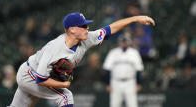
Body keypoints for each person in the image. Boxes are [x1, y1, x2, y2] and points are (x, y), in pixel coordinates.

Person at [9, 12, 155, 107]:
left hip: (34, 75)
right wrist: (64, 83)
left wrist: (135, 18)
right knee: (66, 97)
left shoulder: (86, 39)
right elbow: (40, 79)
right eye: (83, 25)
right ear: (72, 29)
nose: (87, 28)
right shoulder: (55, 48)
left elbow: (109, 29)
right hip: (30, 75)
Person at [103, 34, 144, 107]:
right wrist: (108, 84)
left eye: (126, 41)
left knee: (132, 105)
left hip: (130, 82)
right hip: (115, 82)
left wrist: (138, 83)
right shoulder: (113, 52)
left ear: (129, 42)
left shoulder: (134, 53)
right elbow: (107, 69)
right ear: (119, 42)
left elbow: (139, 69)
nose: (124, 43)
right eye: (122, 41)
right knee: (114, 104)